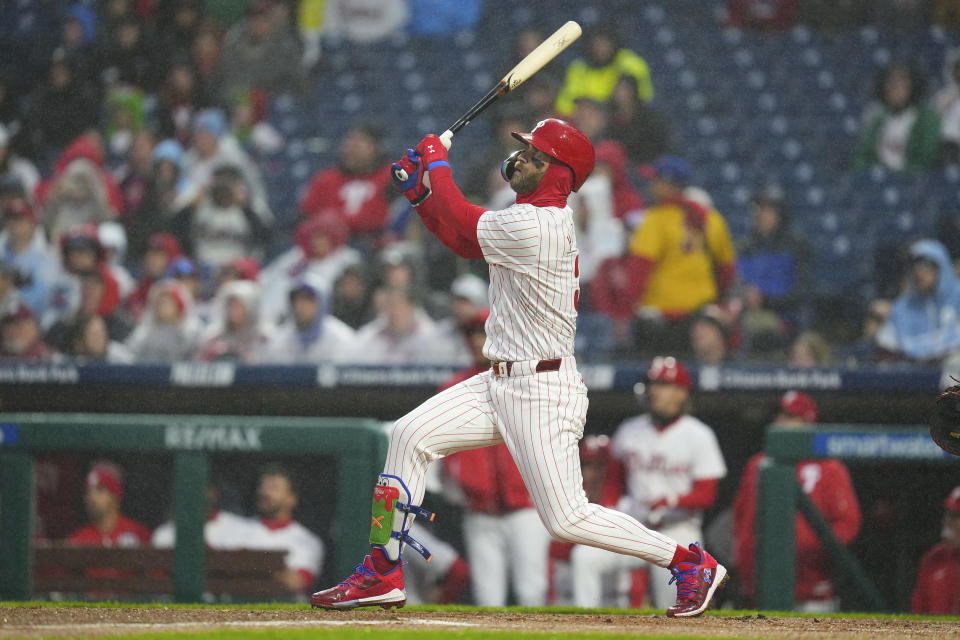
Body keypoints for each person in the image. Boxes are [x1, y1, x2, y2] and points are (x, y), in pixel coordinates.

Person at [309, 119, 728, 618]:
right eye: (526, 149)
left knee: (567, 519)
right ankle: (381, 569)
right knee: (408, 435)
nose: (523, 157)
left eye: (536, 153)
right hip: (499, 379)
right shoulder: (522, 217)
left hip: (542, 389)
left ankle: (689, 560)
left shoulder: (541, 224)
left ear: (559, 172)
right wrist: (422, 196)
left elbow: (464, 225)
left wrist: (434, 165)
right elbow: (463, 241)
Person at [570, 357, 727, 610]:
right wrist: (611, 509)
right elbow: (615, 481)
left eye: (663, 385)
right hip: (636, 526)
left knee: (676, 606)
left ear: (681, 393)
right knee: (586, 557)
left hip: (678, 530)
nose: (655, 390)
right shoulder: (629, 430)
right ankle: (581, 628)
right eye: (652, 384)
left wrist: (673, 500)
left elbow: (707, 494)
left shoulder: (698, 435)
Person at [440, 310, 551, 606]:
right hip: (480, 510)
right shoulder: (454, 386)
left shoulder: (530, 379)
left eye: (485, 333)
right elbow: (445, 448)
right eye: (474, 334)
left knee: (532, 592)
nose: (478, 341)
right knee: (488, 598)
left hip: (527, 507)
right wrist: (463, 485)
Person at [734, 391, 861, 612]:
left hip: (813, 588)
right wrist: (744, 571)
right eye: (779, 415)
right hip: (762, 585)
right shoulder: (757, 464)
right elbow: (742, 522)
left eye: (790, 417)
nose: (780, 422)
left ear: (808, 423)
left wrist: (808, 549)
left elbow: (848, 523)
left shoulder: (829, 467)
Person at [625, 156, 737, 357]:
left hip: (662, 321)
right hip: (701, 318)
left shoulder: (656, 219)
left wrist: (629, 309)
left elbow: (639, 270)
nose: (651, 185)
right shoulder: (712, 218)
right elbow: (727, 271)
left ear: (670, 185)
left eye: (656, 180)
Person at [736, 186, 812, 355]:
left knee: (751, 327)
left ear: (780, 213)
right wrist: (744, 297)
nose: (760, 215)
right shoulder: (746, 247)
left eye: (767, 210)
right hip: (746, 313)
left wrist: (765, 301)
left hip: (783, 316)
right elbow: (737, 283)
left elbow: (801, 292)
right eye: (758, 209)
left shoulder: (796, 245)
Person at [298, 124, 393, 243]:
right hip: (328, 244)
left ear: (376, 148)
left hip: (374, 240)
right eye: (349, 145)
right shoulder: (326, 178)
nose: (351, 151)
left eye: (358, 146)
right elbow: (305, 214)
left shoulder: (391, 176)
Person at [243, 464, 324, 597]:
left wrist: (243, 570)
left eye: (274, 488)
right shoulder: (234, 528)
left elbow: (295, 582)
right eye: (263, 487)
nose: (265, 492)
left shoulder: (308, 541)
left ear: (291, 499)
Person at [874, 239, 960, 363]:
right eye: (914, 265)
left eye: (926, 265)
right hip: (916, 375)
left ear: (942, 266)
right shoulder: (902, 308)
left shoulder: (957, 296)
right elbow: (885, 348)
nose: (918, 272)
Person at [853, 62, 940, 172]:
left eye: (901, 82)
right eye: (890, 81)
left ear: (913, 86)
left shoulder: (927, 119)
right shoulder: (878, 118)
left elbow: (926, 159)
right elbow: (863, 156)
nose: (894, 87)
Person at [554, 25, 654, 116]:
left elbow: (644, 98)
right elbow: (564, 104)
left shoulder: (631, 64)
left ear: (613, 44)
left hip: (622, 119)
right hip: (589, 121)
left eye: (605, 44)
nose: (600, 49)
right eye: (597, 44)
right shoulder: (579, 68)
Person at [262, 275, 357, 364]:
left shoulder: (342, 339)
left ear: (322, 303)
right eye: (296, 299)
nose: (300, 306)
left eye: (308, 299)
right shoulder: (279, 340)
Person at [66, 461, 151, 548]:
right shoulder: (77, 541)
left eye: (100, 490)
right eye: (88, 492)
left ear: (115, 496)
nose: (91, 497)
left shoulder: (138, 534)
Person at [911, 486, 960, 614]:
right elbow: (918, 614)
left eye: (956, 516)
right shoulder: (933, 559)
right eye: (948, 513)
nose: (948, 521)